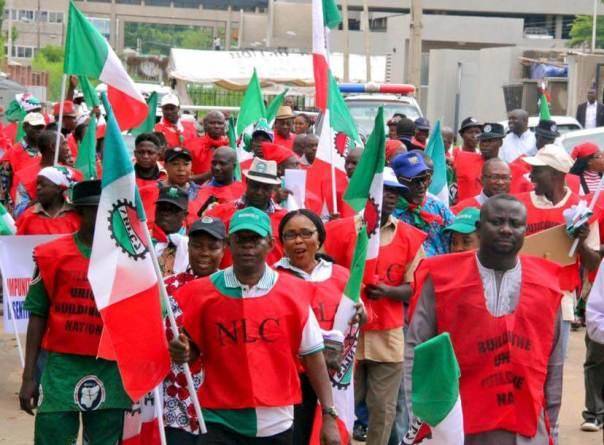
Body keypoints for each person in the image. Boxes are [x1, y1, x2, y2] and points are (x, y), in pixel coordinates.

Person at [169, 207, 341, 445]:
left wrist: (329, 414)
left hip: (276, 422)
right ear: (230, 243)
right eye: (241, 239)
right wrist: (183, 352)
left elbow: (313, 356)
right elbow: (193, 350)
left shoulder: (294, 292)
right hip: (219, 419)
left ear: (270, 244)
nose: (248, 246)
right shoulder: (202, 293)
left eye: (255, 239)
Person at [405, 194, 564, 444]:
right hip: (456, 424)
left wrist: (552, 428)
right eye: (497, 222)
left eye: (515, 224)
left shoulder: (547, 286)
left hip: (526, 428)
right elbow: (416, 349)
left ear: (525, 230)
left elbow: (554, 364)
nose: (506, 230)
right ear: (479, 228)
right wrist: (419, 415)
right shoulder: (442, 278)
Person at [19, 180, 131, 444]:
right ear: (79, 212)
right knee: (52, 438)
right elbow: (37, 315)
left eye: (108, 210)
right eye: (96, 210)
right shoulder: (52, 255)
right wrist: (28, 376)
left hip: (110, 368)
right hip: (61, 367)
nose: (104, 216)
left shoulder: (128, 257)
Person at [323, 167, 427, 445]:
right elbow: (321, 274)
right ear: (370, 196)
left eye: (395, 193)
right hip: (344, 335)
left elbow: (415, 286)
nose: (390, 198)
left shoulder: (410, 237)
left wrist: (390, 291)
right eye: (385, 191)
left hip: (387, 335)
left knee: (383, 409)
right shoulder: (340, 230)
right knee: (339, 404)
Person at [274, 209, 354, 445]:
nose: (299, 240)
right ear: (282, 243)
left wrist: (362, 314)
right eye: (290, 235)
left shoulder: (341, 275)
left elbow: (361, 319)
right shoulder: (274, 278)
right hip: (291, 378)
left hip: (335, 376)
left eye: (306, 233)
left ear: (319, 238)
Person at [163, 217, 226, 445]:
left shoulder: (234, 288)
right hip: (175, 406)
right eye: (197, 246)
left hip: (221, 410)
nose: (204, 253)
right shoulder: (167, 287)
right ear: (188, 247)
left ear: (224, 248)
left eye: (212, 247)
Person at [205, 158, 288, 265]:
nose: (259, 192)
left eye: (266, 188)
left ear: (274, 188)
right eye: (255, 186)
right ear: (247, 182)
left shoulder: (285, 219)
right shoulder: (220, 212)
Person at [392, 151, 455, 257]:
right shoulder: (390, 214)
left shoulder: (438, 208)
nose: (421, 185)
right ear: (398, 181)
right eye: (415, 180)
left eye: (424, 178)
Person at [13, 131, 79, 217]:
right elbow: (18, 213)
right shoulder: (25, 177)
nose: (68, 148)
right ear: (53, 147)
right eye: (64, 144)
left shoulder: (72, 174)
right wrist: (42, 199)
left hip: (68, 226)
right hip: (38, 228)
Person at [16, 167, 80, 235]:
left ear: (58, 188)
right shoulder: (28, 217)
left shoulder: (75, 216)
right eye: (37, 184)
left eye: (43, 185)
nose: (38, 188)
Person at [188, 146, 245, 223]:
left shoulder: (244, 191)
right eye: (214, 163)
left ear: (234, 166)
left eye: (222, 163)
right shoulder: (198, 192)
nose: (217, 167)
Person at [0, 112, 45, 207]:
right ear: (25, 127)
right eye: (35, 127)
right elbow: (4, 184)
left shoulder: (48, 150)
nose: (39, 130)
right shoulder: (12, 153)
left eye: (41, 127)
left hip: (44, 202)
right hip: (21, 204)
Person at [453, 122, 504, 202]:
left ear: (500, 143)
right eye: (483, 141)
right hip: (464, 211)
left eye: (490, 141)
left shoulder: (505, 169)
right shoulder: (462, 158)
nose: (485, 144)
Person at [508, 119, 560, 194]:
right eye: (546, 139)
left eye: (552, 140)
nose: (549, 143)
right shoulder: (519, 163)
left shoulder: (557, 162)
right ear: (536, 136)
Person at [153, 186, 190, 277]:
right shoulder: (143, 240)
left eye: (173, 210)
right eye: (162, 208)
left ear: (185, 215)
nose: (166, 213)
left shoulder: (193, 245)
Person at [188, 110, 229, 178]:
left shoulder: (230, 146)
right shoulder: (191, 145)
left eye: (220, 123)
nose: (216, 126)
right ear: (205, 125)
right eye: (212, 123)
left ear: (224, 126)